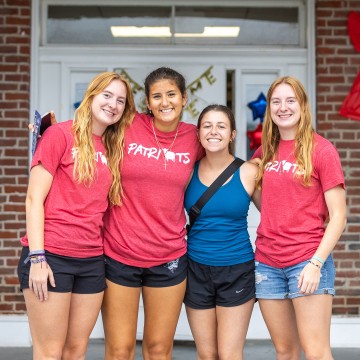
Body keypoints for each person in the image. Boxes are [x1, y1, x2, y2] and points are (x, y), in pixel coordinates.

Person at [17, 71, 135, 360]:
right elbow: (34, 199)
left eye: (120, 100)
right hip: (51, 255)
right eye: (107, 95)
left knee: (75, 351)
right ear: (91, 96)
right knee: (49, 352)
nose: (113, 104)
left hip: (92, 260)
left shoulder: (113, 146)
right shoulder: (60, 134)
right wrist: (37, 258)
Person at [101, 67, 204, 360]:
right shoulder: (127, 124)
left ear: (184, 98)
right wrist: (49, 131)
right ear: (147, 102)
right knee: (119, 350)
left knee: (158, 349)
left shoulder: (194, 138)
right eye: (156, 96)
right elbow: (90, 129)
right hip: (120, 251)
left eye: (171, 94)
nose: (164, 102)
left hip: (168, 255)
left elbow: (222, 162)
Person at [253, 76, 346, 360]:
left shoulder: (322, 150)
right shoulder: (264, 152)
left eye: (290, 100)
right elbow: (267, 204)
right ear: (269, 108)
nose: (283, 107)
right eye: (276, 102)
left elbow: (339, 215)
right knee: (285, 351)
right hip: (267, 264)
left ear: (303, 105)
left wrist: (316, 263)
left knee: (316, 352)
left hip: (307, 261)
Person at [183, 104, 260, 360]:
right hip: (195, 269)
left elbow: (276, 216)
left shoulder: (250, 172)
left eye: (221, 126)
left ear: (233, 134)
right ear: (198, 133)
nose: (213, 131)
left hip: (237, 269)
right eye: (207, 125)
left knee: (229, 354)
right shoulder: (186, 171)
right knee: (207, 354)